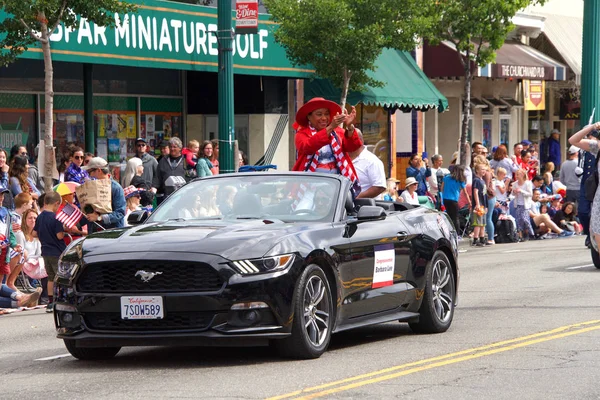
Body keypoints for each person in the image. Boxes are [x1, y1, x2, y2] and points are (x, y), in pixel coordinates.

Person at [291, 97, 362, 193]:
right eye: (319, 114)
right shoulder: (302, 134)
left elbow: (352, 147)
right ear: (309, 117)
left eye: (327, 114)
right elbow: (308, 147)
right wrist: (331, 127)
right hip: (308, 186)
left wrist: (349, 126)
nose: (324, 118)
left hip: (336, 185)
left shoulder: (338, 132)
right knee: (303, 207)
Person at [33, 191, 66, 313]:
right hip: (57, 251)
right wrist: (63, 230)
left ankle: (50, 302)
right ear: (56, 204)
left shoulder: (40, 217)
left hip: (45, 251)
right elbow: (59, 236)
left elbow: (34, 233)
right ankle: (61, 299)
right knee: (61, 277)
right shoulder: (56, 217)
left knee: (51, 277)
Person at [81, 157, 126, 232]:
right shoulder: (91, 187)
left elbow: (120, 213)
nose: (89, 175)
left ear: (98, 170)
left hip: (112, 234)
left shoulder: (116, 188)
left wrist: (99, 218)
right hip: (94, 233)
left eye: (89, 172)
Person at [17, 208, 47, 304]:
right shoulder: (20, 234)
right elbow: (20, 252)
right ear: (25, 220)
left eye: (35, 218)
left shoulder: (37, 235)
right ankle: (42, 295)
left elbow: (39, 253)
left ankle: (44, 296)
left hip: (35, 261)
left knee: (47, 264)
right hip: (23, 262)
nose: (33, 220)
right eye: (30, 218)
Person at [349, 131, 386, 199]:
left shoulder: (372, 161)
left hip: (367, 207)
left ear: (360, 140)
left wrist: (358, 197)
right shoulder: (343, 158)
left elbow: (379, 187)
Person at [153, 138, 187, 203]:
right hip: (167, 197)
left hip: (183, 195)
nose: (172, 149)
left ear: (180, 148)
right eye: (170, 147)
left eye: (174, 147)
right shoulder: (163, 160)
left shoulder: (185, 160)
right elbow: (157, 177)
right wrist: (154, 189)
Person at [441, 164, 469, 232]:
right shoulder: (460, 180)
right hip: (454, 199)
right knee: (456, 217)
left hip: (445, 199)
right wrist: (469, 202)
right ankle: (457, 234)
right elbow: (465, 192)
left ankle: (449, 232)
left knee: (449, 217)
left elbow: (442, 189)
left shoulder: (446, 177)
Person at [470, 163, 487, 246]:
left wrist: (486, 206)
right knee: (478, 223)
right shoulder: (476, 180)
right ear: (477, 170)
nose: (484, 171)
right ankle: (475, 239)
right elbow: (475, 192)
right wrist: (477, 203)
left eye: (485, 169)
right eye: (482, 169)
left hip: (483, 204)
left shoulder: (482, 181)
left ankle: (482, 238)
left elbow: (484, 194)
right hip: (479, 204)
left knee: (483, 223)